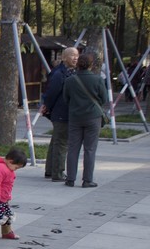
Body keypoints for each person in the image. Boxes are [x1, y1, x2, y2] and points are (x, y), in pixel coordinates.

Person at [63, 50, 107, 188]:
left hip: (75, 117)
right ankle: (87, 180)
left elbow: (66, 99)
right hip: (93, 117)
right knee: (90, 149)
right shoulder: (98, 79)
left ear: (78, 65)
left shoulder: (70, 80)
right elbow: (103, 99)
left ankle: (70, 178)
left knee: (73, 148)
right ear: (91, 65)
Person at [40, 47, 78, 182]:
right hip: (62, 113)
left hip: (62, 112)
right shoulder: (59, 74)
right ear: (64, 58)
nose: (75, 58)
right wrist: (47, 107)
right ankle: (58, 173)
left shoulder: (69, 72)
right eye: (72, 55)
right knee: (61, 143)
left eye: (77, 56)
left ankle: (50, 170)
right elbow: (51, 93)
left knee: (56, 141)